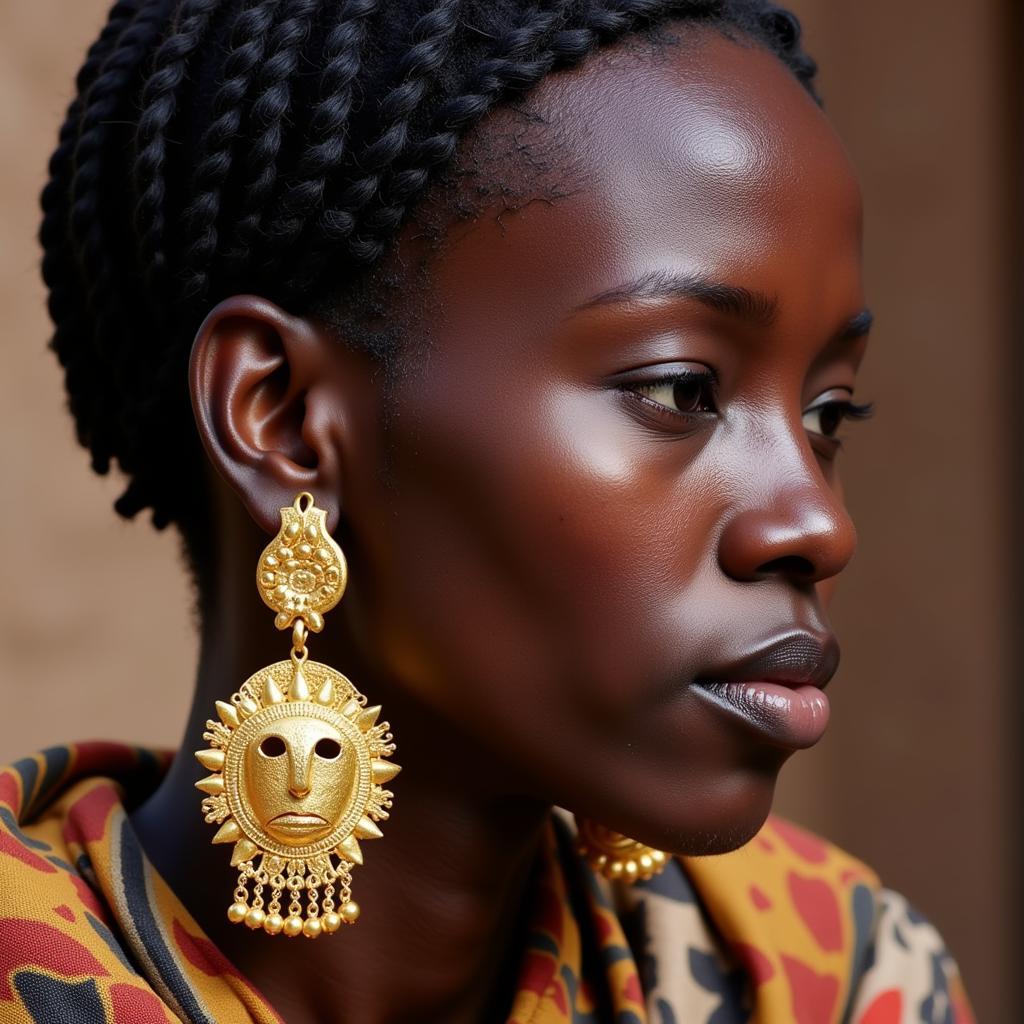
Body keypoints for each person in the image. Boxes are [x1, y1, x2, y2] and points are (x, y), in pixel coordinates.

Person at [1, 0, 974, 1021]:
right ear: (284, 420)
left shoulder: (836, 977)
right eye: (682, 389)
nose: (816, 523)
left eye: (828, 412)